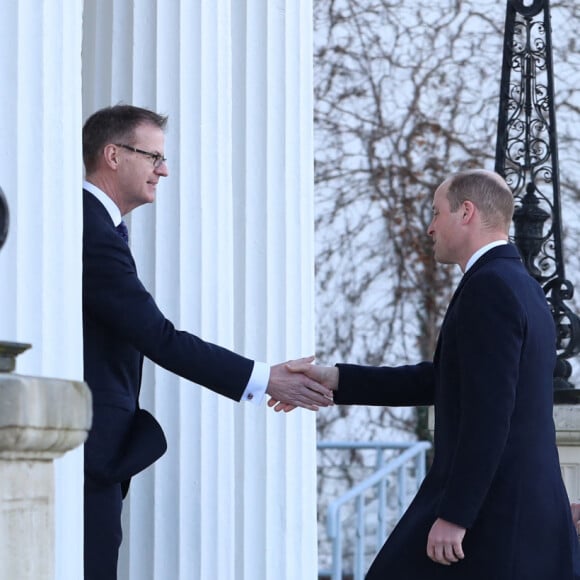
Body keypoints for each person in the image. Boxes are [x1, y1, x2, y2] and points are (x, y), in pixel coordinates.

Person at [283, 169, 580, 578]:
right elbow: (445, 379)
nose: (430, 226)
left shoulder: (490, 287)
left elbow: (490, 413)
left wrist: (457, 515)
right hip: (513, 511)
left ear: (466, 212)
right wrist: (335, 379)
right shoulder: (518, 284)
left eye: (437, 212)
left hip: (491, 513)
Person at [81, 104, 333, 580]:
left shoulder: (96, 225)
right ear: (113, 156)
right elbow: (158, 336)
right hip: (85, 450)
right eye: (152, 156)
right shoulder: (91, 230)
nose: (164, 169)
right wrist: (264, 379)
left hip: (93, 450)